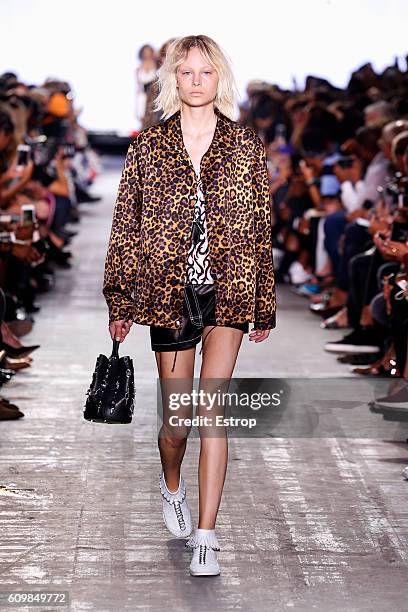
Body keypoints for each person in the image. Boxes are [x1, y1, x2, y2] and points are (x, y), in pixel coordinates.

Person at [103, 34, 276, 577]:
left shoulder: (244, 145)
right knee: (177, 423)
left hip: (227, 291)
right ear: (172, 80)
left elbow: (259, 226)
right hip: (167, 293)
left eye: (205, 72)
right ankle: (171, 485)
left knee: (212, 412)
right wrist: (121, 296)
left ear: (218, 78)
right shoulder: (148, 147)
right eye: (186, 72)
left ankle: (207, 535)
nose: (196, 80)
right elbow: (127, 226)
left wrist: (262, 303)